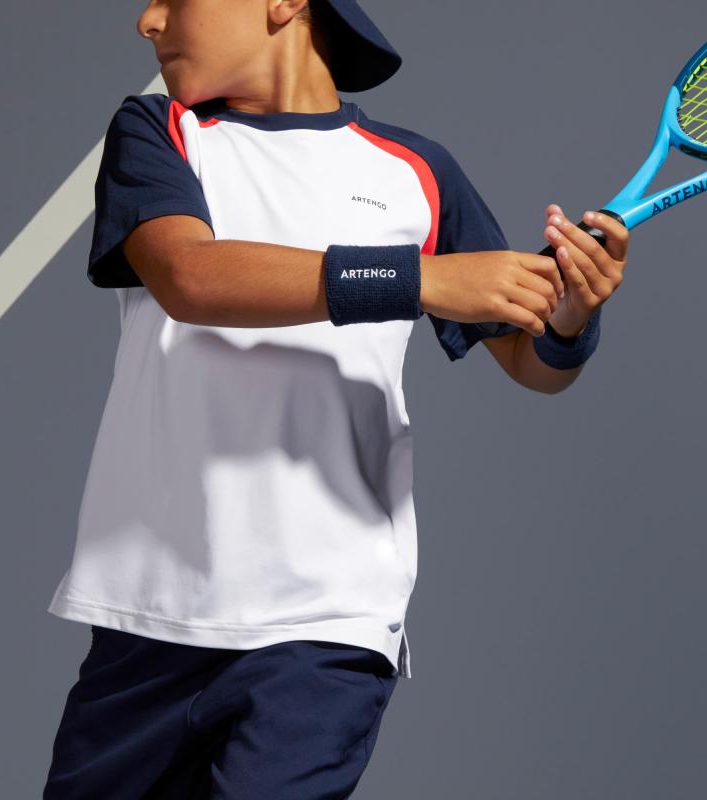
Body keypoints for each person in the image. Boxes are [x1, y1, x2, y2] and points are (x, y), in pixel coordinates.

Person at [42, 1, 630, 797]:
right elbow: (191, 277)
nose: (149, 20)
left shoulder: (419, 172)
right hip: (144, 619)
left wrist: (570, 315)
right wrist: (418, 278)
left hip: (327, 626)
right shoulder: (159, 132)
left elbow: (533, 362)